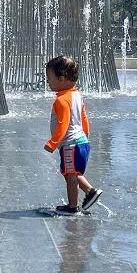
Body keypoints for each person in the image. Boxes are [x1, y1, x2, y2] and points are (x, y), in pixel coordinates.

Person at [43, 55, 103, 215]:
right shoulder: (76, 95)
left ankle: (72, 207)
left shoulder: (62, 100)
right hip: (80, 141)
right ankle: (90, 192)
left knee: (70, 177)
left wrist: (52, 143)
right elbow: (83, 116)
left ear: (62, 78)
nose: (48, 82)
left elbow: (64, 123)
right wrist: (86, 135)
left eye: (49, 78)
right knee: (73, 173)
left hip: (71, 144)